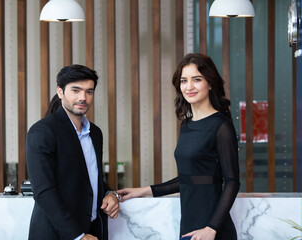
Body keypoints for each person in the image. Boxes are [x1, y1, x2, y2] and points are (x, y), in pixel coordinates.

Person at [117, 53, 240, 240]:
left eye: (196, 79)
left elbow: (232, 181)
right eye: (184, 81)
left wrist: (211, 228)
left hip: (212, 230)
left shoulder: (221, 126)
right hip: (189, 223)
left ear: (210, 83)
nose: (189, 86)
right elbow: (188, 178)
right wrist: (144, 191)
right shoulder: (186, 125)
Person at [26, 64, 121, 240]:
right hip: (56, 234)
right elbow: (43, 191)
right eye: (76, 90)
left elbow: (89, 178)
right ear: (60, 92)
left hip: (93, 231)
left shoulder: (95, 133)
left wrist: (110, 193)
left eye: (89, 92)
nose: (83, 97)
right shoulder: (42, 132)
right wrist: (77, 235)